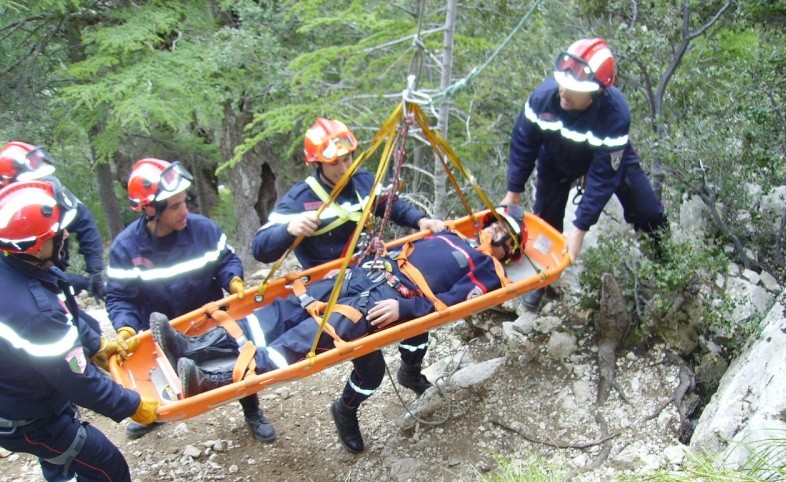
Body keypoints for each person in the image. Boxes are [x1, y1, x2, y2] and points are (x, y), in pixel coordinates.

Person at [152, 205, 527, 454]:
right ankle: (194, 345)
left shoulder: (488, 271)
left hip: (384, 301)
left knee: (304, 342)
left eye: (505, 237)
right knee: (283, 312)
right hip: (364, 276)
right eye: (495, 225)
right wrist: (365, 258)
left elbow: (449, 303)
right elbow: (400, 250)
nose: (495, 234)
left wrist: (405, 308)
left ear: (508, 251)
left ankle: (211, 379)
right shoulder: (445, 233)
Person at [0, 179, 172, 482]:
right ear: (32, 245)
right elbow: (74, 379)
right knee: (98, 455)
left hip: (23, 390)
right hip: (21, 415)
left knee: (59, 452)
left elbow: (66, 310)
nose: (65, 237)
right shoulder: (33, 310)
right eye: (57, 234)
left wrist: (95, 345)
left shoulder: (23, 270)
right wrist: (131, 404)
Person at [252, 118, 447, 413]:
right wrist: (289, 229)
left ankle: (410, 372)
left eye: (348, 159)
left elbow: (389, 204)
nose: (345, 168)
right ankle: (345, 411)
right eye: (336, 164)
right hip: (336, 290)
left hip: (373, 273)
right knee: (371, 370)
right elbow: (261, 248)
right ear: (317, 164)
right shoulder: (300, 199)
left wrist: (420, 220)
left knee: (417, 325)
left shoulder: (363, 182)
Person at [105, 157, 277, 443]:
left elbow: (226, 261)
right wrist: (126, 328)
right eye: (175, 206)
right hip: (161, 331)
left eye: (185, 202)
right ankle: (158, 413)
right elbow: (120, 296)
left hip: (207, 319)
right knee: (166, 372)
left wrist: (233, 279)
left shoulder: (203, 231)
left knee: (236, 360)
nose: (185, 211)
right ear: (150, 210)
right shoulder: (126, 248)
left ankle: (252, 410)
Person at [502, 38, 667, 309]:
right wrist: (513, 192)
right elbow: (523, 143)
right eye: (563, 83)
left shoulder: (615, 115)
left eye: (575, 89)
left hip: (605, 157)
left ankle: (664, 259)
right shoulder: (543, 99)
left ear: (597, 91)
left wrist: (580, 227)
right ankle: (543, 279)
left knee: (648, 210)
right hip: (558, 159)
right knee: (546, 221)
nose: (565, 91)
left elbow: (604, 177)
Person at [0, 141, 107, 302]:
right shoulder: (7, 225)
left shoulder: (50, 197)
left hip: (51, 269)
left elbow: (84, 220)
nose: (41, 187)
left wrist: (95, 270)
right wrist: (70, 280)